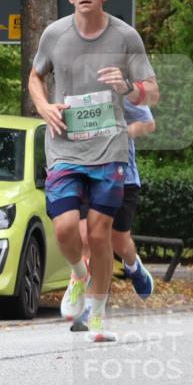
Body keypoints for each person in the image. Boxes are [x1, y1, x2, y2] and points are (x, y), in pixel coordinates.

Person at [28, 0, 159, 343]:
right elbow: (36, 76)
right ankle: (79, 277)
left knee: (100, 235)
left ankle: (98, 317)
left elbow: (152, 92)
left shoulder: (126, 37)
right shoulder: (54, 35)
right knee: (66, 227)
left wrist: (127, 86)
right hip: (66, 147)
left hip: (109, 148)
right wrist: (43, 106)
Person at [76, 98, 157, 313]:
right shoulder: (76, 86)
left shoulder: (120, 86)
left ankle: (133, 266)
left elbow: (148, 123)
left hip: (123, 177)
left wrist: (120, 133)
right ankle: (88, 304)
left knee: (119, 241)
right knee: (86, 236)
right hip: (88, 174)